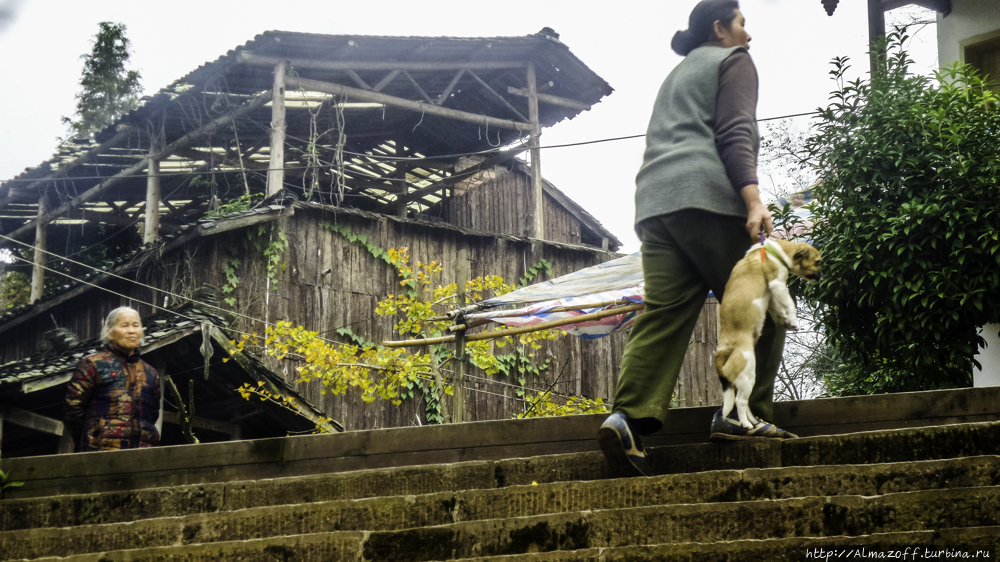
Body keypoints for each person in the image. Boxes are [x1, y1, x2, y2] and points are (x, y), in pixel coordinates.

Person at [598, 0, 796, 477]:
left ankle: (626, 418)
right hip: (706, 198)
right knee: (766, 298)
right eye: (743, 25)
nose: (749, 36)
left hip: (656, 204)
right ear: (720, 28)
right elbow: (735, 132)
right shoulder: (735, 60)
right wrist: (753, 200)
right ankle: (741, 416)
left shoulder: (681, 72)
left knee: (665, 311)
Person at [65, 306, 161, 452]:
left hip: (143, 454)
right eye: (124, 325)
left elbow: (152, 414)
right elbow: (72, 410)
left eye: (136, 325)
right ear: (110, 332)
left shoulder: (151, 373)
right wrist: (93, 436)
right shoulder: (92, 365)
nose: (131, 331)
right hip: (101, 454)